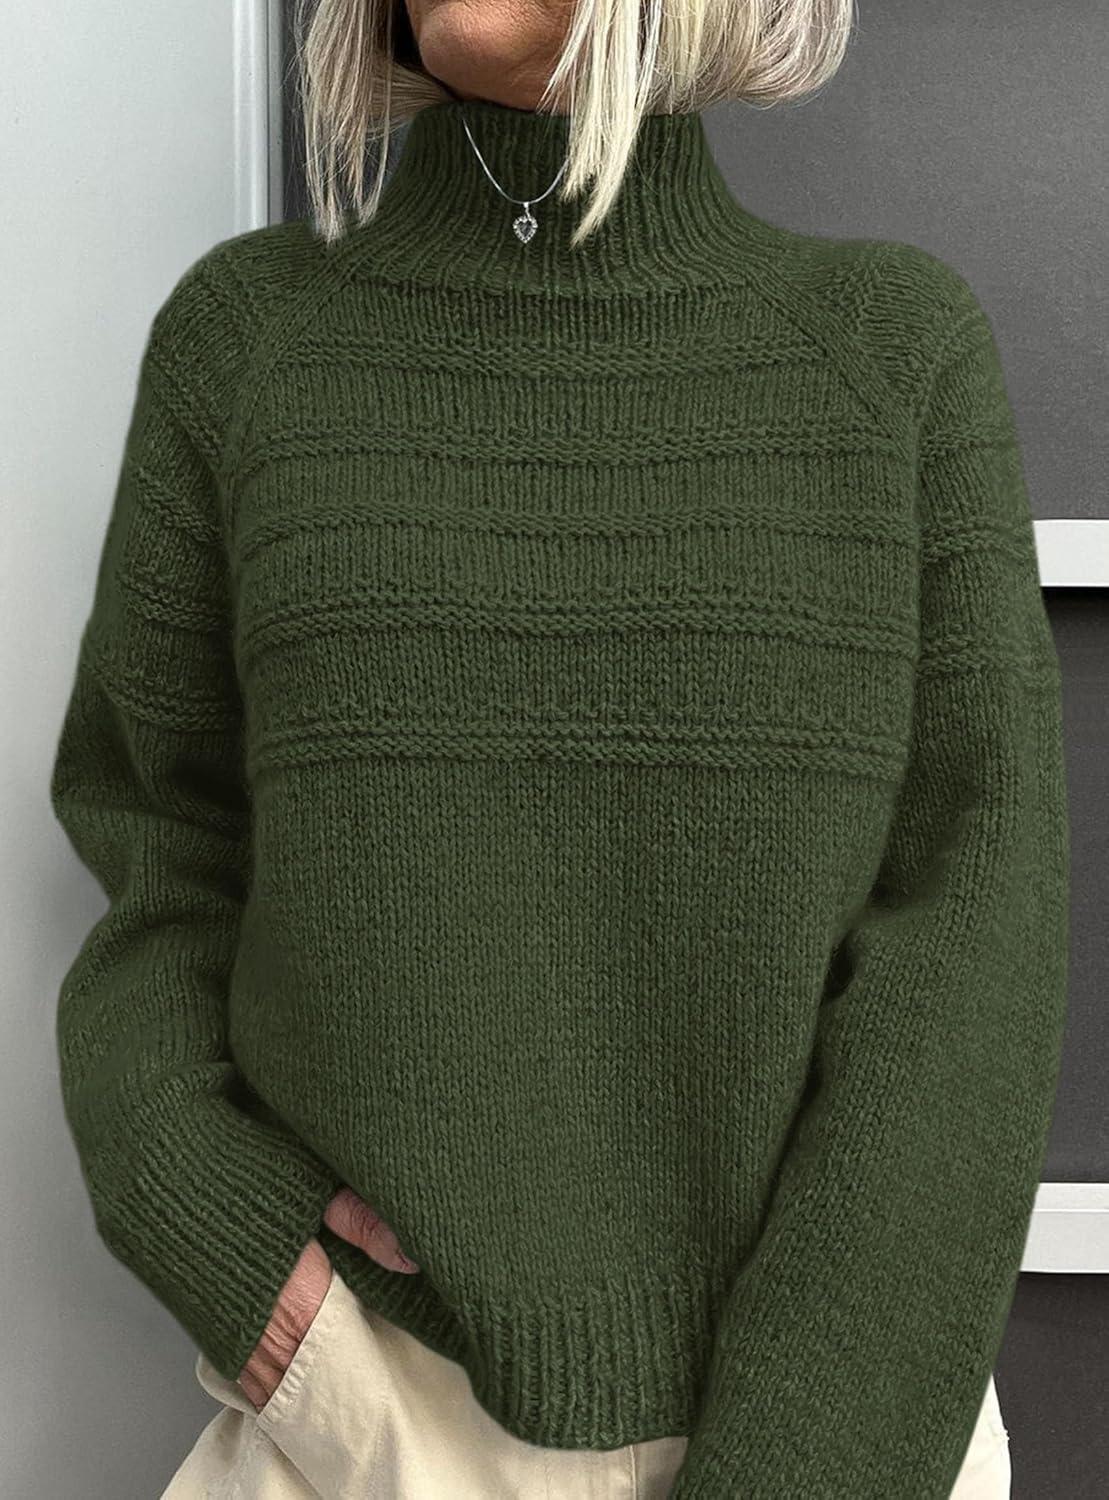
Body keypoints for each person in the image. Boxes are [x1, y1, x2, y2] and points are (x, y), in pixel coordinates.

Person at [49, 0, 1069, 1496]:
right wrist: (222, 1237)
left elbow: (975, 946)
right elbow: (157, 850)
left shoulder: (886, 354)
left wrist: (807, 1467)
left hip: (832, 1434)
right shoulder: (251, 343)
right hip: (370, 1421)